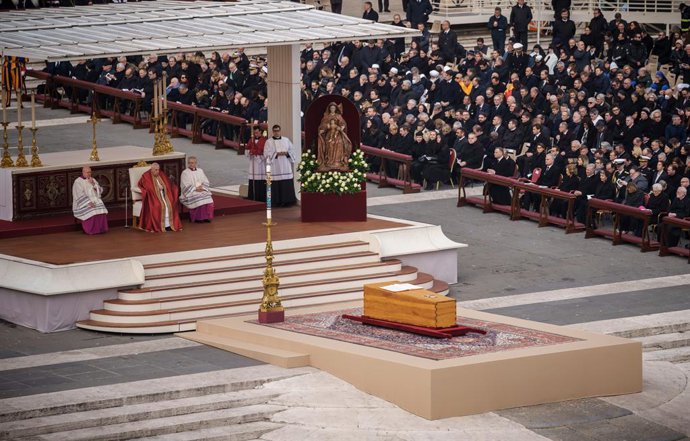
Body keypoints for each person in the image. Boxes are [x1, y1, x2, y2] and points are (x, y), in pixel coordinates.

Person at [137, 162, 182, 232]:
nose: (157, 171)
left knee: (170, 204)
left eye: (158, 169)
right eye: (155, 170)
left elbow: (168, 184)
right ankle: (160, 226)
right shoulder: (146, 176)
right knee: (159, 205)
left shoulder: (161, 174)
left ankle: (169, 225)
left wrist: (163, 187)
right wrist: (157, 188)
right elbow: (146, 187)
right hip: (153, 196)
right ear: (151, 169)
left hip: (164, 195)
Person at [264, 124, 297, 207]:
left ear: (280, 131)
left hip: (285, 164)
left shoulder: (286, 140)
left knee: (286, 182)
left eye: (278, 130)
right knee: (276, 183)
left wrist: (287, 153)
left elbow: (292, 150)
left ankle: (288, 201)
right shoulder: (269, 142)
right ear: (272, 131)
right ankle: (276, 202)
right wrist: (276, 154)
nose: (276, 132)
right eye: (275, 131)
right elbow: (266, 154)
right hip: (275, 165)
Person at [317, 102, 353, 172]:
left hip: (338, 133)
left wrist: (341, 128)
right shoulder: (326, 116)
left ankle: (338, 161)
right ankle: (329, 161)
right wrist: (326, 127)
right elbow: (322, 126)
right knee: (330, 143)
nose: (332, 109)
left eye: (334, 108)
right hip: (329, 133)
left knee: (339, 142)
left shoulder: (338, 116)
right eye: (331, 108)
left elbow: (343, 124)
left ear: (336, 109)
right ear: (329, 109)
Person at [72, 166, 108, 235]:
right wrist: (89, 202)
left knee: (102, 210)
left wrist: (93, 184)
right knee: (93, 211)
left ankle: (101, 229)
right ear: (83, 172)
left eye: (90, 172)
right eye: (87, 172)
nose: (89, 174)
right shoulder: (78, 182)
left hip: (94, 199)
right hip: (84, 202)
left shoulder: (93, 180)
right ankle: (91, 230)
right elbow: (78, 194)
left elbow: (100, 191)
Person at [179, 156, 214, 223]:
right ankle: (198, 218)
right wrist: (195, 188)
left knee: (208, 198)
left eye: (193, 163)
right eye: (189, 163)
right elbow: (185, 185)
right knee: (199, 199)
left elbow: (205, 181)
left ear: (196, 163)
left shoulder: (200, 171)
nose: (191, 164)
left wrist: (202, 188)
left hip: (201, 189)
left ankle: (206, 217)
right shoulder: (185, 173)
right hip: (191, 192)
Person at [247, 125, 267, 202]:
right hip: (253, 163)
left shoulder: (264, 140)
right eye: (255, 133)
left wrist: (258, 156)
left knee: (261, 180)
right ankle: (252, 196)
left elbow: (266, 152)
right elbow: (247, 149)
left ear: (261, 132)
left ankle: (261, 197)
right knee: (253, 179)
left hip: (261, 164)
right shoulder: (251, 140)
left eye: (257, 132)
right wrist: (250, 153)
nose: (256, 134)